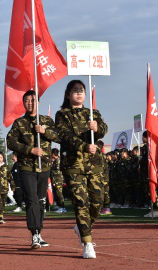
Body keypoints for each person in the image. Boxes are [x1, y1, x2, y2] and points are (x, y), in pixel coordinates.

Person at [55, 80, 107, 259]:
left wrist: (97, 128)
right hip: (73, 165)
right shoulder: (62, 115)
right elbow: (65, 135)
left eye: (81, 90)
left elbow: (103, 129)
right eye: (75, 90)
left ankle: (81, 226)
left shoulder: (93, 113)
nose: (79, 93)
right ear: (68, 94)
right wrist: (84, 146)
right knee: (80, 202)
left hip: (94, 164)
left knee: (97, 202)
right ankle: (87, 242)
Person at [7, 90, 60, 249]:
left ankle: (39, 232)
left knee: (41, 201)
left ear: (38, 102)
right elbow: (10, 142)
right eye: (27, 101)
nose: (30, 103)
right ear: (23, 103)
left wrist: (44, 131)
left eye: (33, 100)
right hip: (27, 167)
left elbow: (58, 137)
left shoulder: (46, 120)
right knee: (32, 200)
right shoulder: (19, 123)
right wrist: (30, 150)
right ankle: (34, 234)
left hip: (44, 166)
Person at [0, 151, 15, 224]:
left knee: (3, 203)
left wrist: (13, 186)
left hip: (4, 188)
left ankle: (2, 214)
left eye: (1, 157)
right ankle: (0, 216)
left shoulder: (6, 167)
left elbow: (10, 177)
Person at [50, 148, 66, 213]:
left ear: (53, 154)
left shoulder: (58, 161)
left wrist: (54, 180)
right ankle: (59, 205)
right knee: (57, 193)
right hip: (56, 179)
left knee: (59, 194)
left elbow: (56, 172)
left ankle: (62, 207)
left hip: (58, 180)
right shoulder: (56, 160)